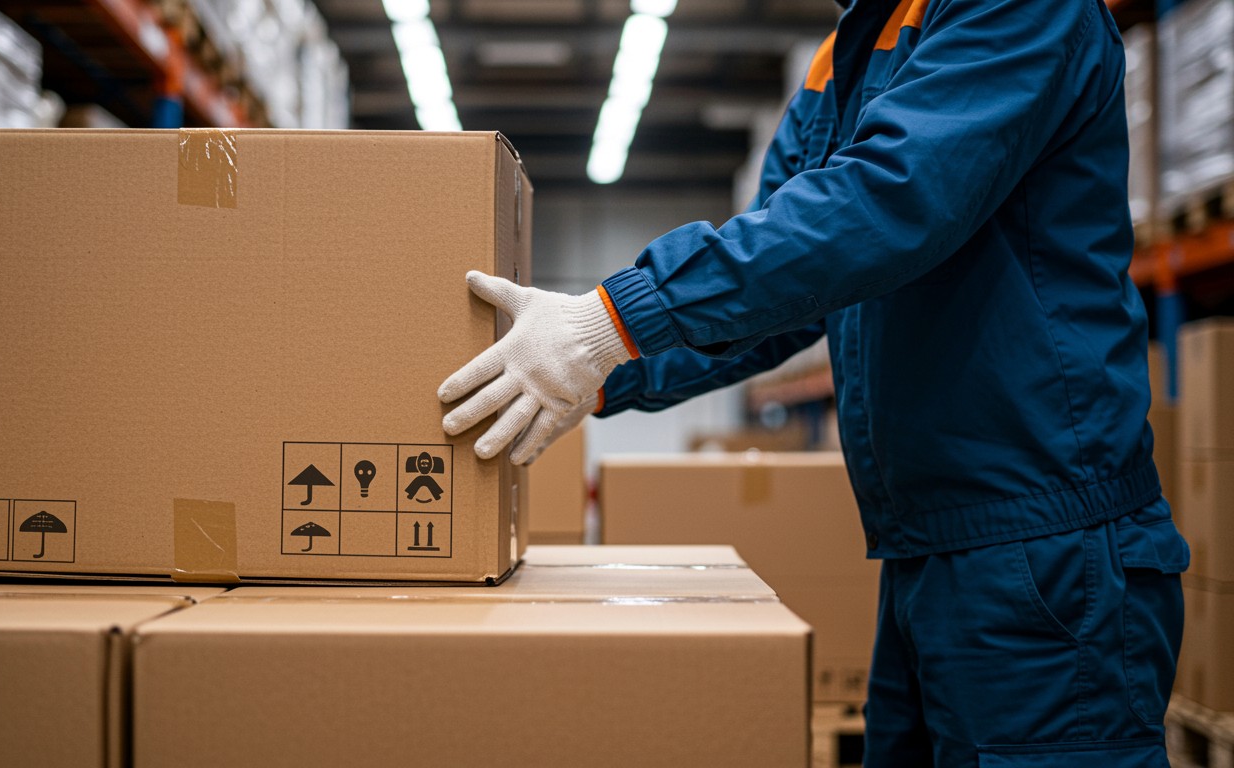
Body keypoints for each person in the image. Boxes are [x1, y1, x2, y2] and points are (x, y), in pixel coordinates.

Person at [438, 0, 1190, 765]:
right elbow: (783, 286)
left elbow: (892, 198)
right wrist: (599, 374)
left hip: (1047, 552)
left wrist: (613, 322)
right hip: (928, 550)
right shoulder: (849, 50)